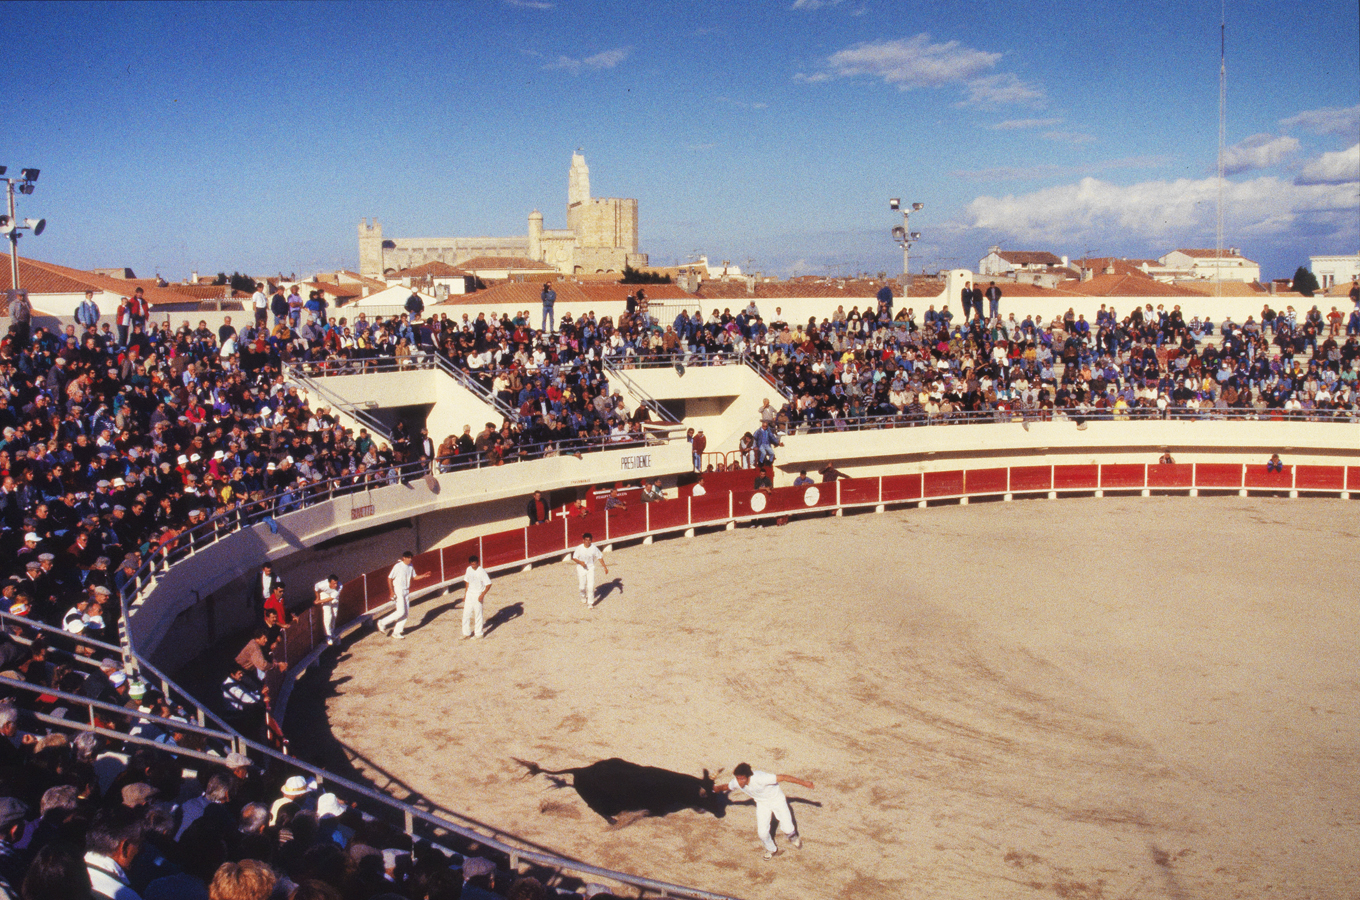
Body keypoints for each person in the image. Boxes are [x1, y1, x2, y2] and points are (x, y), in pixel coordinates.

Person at [714, 762, 814, 860]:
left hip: (777, 800)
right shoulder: (737, 782)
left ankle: (792, 836)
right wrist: (716, 789)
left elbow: (784, 777)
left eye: (742, 779)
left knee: (788, 829)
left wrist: (805, 783)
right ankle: (771, 849)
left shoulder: (761, 778)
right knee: (762, 833)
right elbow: (726, 786)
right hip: (762, 804)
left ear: (748, 776)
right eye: (738, 778)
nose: (739, 782)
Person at [377, 550, 419, 639]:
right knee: (401, 611)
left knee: (405, 613)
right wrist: (391, 591)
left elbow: (415, 577)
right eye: (408, 558)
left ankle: (396, 632)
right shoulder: (398, 566)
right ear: (404, 558)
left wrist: (424, 576)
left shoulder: (410, 566)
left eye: (411, 558)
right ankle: (382, 622)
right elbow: (389, 578)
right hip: (398, 590)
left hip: (406, 591)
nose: (410, 560)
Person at [570, 533, 608, 608]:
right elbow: (574, 557)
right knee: (582, 586)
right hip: (581, 568)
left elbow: (599, 557)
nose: (588, 542)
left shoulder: (594, 548)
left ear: (591, 540)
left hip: (590, 567)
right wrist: (580, 562)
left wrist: (605, 567)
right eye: (586, 540)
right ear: (583, 540)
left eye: (589, 540)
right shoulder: (579, 548)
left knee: (590, 586)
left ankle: (590, 603)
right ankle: (583, 596)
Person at [462, 554, 491, 640]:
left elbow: (489, 584)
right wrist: (465, 594)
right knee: (466, 614)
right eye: (472, 564)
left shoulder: (481, 571)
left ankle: (478, 634)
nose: (473, 565)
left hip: (478, 594)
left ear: (477, 563)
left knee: (478, 614)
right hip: (469, 594)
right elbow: (467, 582)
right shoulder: (468, 569)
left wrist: (482, 595)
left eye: (474, 563)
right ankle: (466, 633)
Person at [313, 574, 341, 647]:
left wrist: (318, 602)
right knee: (328, 615)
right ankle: (327, 636)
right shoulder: (322, 585)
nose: (335, 585)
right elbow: (316, 588)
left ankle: (331, 632)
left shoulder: (339, 586)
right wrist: (317, 597)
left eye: (336, 583)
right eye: (333, 583)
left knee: (334, 615)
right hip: (324, 593)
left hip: (332, 597)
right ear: (329, 583)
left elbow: (331, 598)